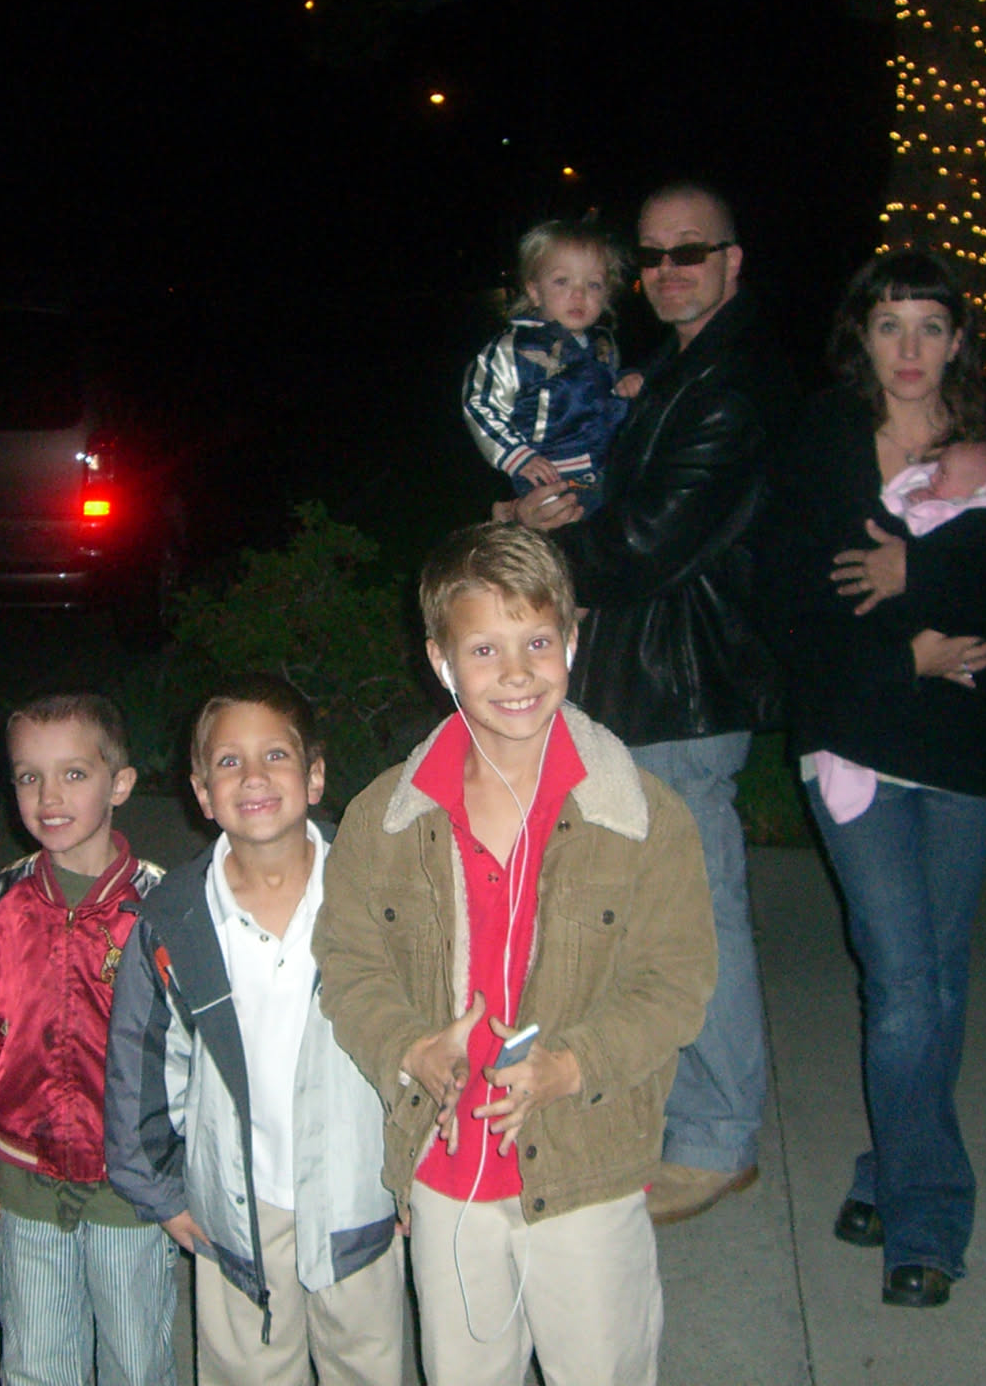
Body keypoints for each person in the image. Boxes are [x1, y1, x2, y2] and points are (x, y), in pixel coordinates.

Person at [314, 523, 715, 1386]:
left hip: (587, 1164)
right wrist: (411, 1049)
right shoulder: (386, 818)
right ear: (441, 661)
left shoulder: (642, 814)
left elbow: (677, 984)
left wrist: (572, 1066)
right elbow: (348, 965)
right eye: (484, 649)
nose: (518, 672)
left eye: (537, 641)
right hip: (446, 1172)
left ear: (571, 639)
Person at [764, 248, 986, 1307]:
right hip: (856, 737)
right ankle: (926, 1222)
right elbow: (793, 602)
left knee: (936, 977)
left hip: (966, 746)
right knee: (902, 980)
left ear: (958, 339)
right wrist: (910, 653)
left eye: (930, 326)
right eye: (889, 324)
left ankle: (883, 1169)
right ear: (861, 335)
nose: (909, 348)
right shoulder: (822, 438)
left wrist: (915, 571)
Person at [508, 180, 798, 1222]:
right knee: (637, 914)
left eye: (692, 252)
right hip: (642, 681)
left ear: (733, 262)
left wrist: (527, 546)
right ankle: (664, 1113)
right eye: (655, 255)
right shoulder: (667, 370)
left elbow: (640, 544)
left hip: (685, 687)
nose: (669, 271)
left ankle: (717, 1140)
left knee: (695, 915)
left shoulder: (731, 386)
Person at [104, 677, 404, 1386]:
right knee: (247, 1372)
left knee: (366, 1366)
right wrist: (162, 1191)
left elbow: (417, 1038)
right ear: (202, 794)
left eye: (276, 755)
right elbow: (142, 1061)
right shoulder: (174, 919)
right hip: (237, 1207)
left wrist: (419, 1172)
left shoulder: (377, 894)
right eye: (229, 762)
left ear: (315, 775)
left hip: (359, 1191)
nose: (254, 776)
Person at [0, 691, 178, 1386]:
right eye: (29, 776)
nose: (49, 797)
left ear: (120, 784)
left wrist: (186, 1167)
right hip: (23, 1173)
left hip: (129, 1180)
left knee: (136, 1357)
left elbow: (192, 1048)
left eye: (74, 774)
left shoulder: (161, 907)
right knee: (36, 1358)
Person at [461, 220, 640, 514]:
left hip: (606, 471)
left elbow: (602, 395)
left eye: (593, 284)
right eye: (562, 281)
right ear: (534, 290)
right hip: (549, 477)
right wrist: (516, 455)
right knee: (562, 537)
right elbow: (479, 402)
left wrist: (624, 382)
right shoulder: (514, 348)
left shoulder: (604, 344)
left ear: (606, 294)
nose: (578, 294)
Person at [881, 439, 986, 538]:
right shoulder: (929, 490)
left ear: (973, 488)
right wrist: (910, 500)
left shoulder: (970, 518)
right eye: (937, 470)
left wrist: (925, 507)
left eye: (943, 475)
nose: (932, 478)